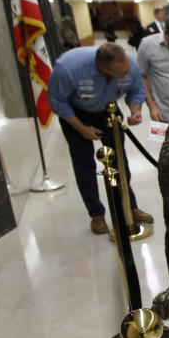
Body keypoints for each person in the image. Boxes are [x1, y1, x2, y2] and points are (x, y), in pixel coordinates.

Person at [47, 43, 153, 234]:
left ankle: (129, 206)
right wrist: (82, 129)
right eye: (120, 74)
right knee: (84, 163)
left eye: (126, 71)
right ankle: (96, 214)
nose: (125, 74)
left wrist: (135, 110)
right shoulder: (68, 69)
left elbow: (136, 90)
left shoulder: (128, 65)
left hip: (108, 110)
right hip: (75, 113)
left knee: (119, 160)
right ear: (103, 68)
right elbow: (57, 102)